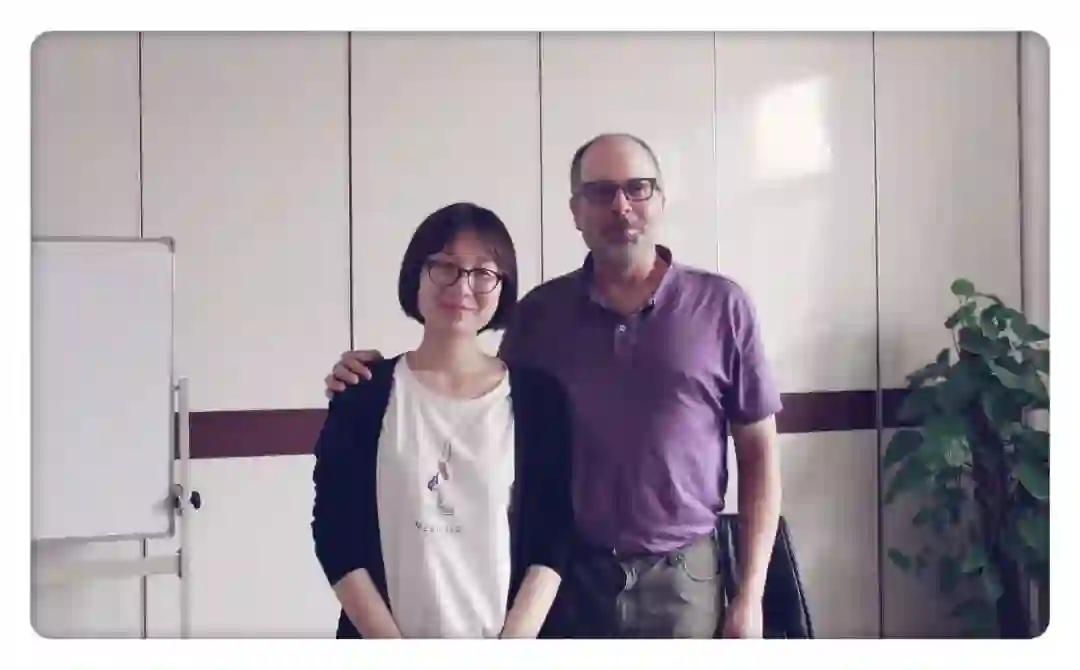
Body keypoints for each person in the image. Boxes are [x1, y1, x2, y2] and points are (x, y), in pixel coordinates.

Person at [323, 134, 783, 639]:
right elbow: (465, 396)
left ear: (661, 198)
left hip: (683, 580)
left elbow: (759, 453)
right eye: (600, 192)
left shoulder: (723, 306)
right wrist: (368, 383)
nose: (621, 206)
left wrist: (751, 594)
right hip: (566, 584)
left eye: (637, 187)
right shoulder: (541, 315)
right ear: (576, 211)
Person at [310, 202, 576, 639]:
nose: (462, 285)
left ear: (502, 285)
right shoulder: (363, 393)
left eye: (482, 272)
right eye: (444, 267)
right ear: (416, 275)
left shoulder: (540, 399)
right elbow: (335, 532)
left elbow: (554, 536)